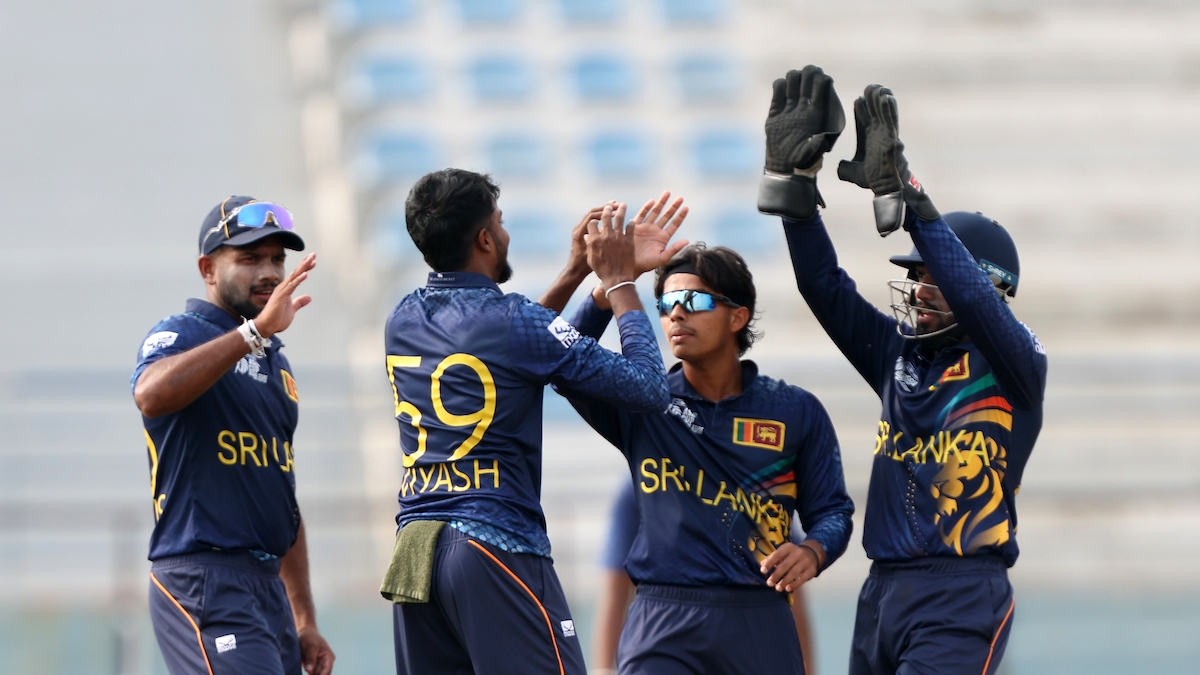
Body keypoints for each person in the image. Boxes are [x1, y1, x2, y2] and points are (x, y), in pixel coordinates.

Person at [756, 66, 1047, 675]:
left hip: (962, 593)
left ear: (987, 289)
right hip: (881, 593)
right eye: (914, 278)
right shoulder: (900, 355)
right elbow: (824, 288)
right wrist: (795, 195)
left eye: (931, 279)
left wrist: (912, 201)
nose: (917, 292)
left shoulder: (1014, 364)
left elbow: (976, 300)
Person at [383, 170, 686, 675]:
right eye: (499, 225)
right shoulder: (514, 321)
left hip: (416, 552)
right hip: (493, 545)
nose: (504, 234)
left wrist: (575, 276)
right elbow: (648, 388)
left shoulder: (404, 317)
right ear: (484, 239)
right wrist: (621, 283)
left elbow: (517, 355)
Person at [546, 238, 855, 675]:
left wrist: (814, 552)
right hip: (662, 622)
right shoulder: (643, 401)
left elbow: (834, 512)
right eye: (667, 302)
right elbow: (560, 359)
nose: (676, 312)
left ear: (738, 316)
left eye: (692, 299)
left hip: (760, 621)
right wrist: (610, 285)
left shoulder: (795, 411)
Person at [133, 196, 335, 675]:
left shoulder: (276, 364)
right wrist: (252, 333)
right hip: (203, 577)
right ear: (208, 268)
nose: (269, 272)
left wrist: (303, 615)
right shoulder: (182, 334)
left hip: (266, 589)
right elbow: (150, 395)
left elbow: (279, 491)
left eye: (276, 259)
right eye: (249, 258)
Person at [591, 480, 821, 675]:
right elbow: (615, 587)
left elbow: (791, 584)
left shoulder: (748, 481)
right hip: (666, 633)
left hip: (748, 632)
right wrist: (603, 669)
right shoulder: (645, 483)